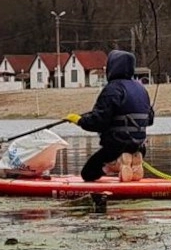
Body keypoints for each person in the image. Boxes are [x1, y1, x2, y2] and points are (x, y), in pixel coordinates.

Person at [66, 49, 153, 182]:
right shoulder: (141, 89)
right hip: (140, 146)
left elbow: (98, 122)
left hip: (116, 146)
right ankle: (132, 159)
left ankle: (115, 164)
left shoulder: (112, 89)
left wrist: (79, 120)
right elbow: (150, 119)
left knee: (88, 174)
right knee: (127, 147)